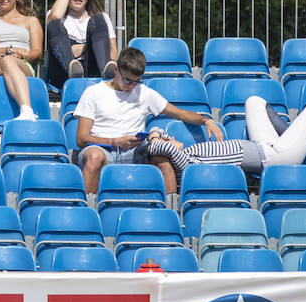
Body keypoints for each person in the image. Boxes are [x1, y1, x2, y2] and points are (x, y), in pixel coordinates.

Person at [74, 46, 219, 193]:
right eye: (126, 80)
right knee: (94, 157)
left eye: (136, 82)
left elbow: (180, 113)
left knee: (162, 160)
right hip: (102, 149)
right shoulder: (93, 93)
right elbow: (81, 139)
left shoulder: (144, 93)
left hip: (134, 151)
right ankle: (86, 211)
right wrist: (115, 142)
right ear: (116, 69)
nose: (131, 86)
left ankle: (170, 210)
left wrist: (206, 121)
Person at [144, 95, 306, 183]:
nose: (171, 137)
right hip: (275, 157)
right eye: (169, 140)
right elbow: (157, 147)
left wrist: (157, 135)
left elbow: (160, 144)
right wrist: (154, 136)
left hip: (265, 146)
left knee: (254, 101)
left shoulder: (187, 154)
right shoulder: (186, 164)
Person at [45, 0, 117, 83]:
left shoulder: (102, 18)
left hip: (93, 71)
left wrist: (82, 48)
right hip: (63, 75)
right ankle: (73, 71)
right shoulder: (54, 14)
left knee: (98, 19)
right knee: (54, 24)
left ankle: (105, 73)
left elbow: (113, 55)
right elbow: (55, 16)